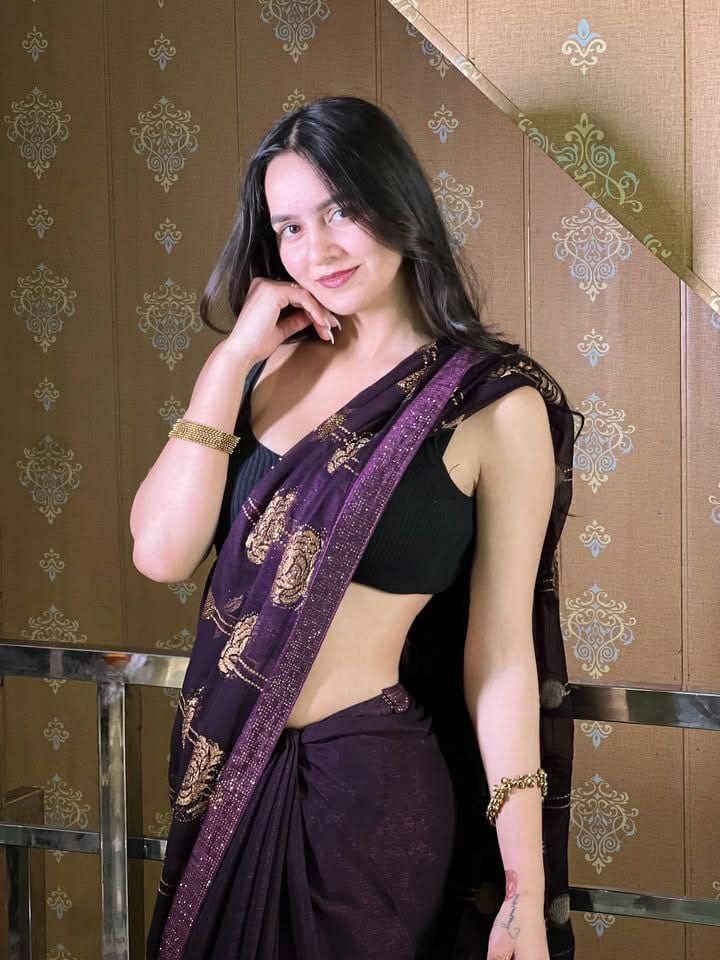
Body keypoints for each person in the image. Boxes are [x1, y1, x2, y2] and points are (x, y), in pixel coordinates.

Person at [132, 96, 584, 960]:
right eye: (290, 227)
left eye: (342, 210)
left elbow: (500, 655)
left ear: (397, 201)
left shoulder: (491, 404)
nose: (320, 249)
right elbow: (161, 552)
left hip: (366, 790)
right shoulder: (267, 371)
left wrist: (525, 886)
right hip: (226, 773)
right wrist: (230, 361)